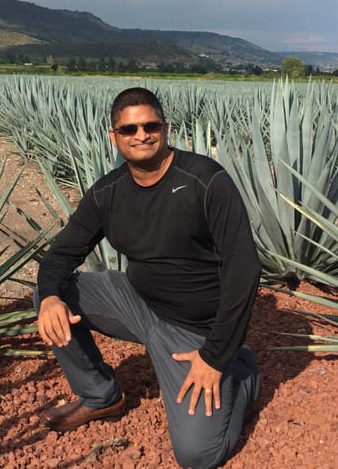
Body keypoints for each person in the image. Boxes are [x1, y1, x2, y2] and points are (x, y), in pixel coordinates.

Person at [34, 87, 261, 469]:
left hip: (194, 329)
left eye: (150, 126)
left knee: (197, 455)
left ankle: (242, 373)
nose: (141, 135)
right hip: (136, 302)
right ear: (114, 136)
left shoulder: (204, 180)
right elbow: (60, 256)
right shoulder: (108, 192)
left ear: (165, 129)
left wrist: (215, 356)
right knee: (51, 296)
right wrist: (50, 298)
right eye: (129, 129)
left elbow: (244, 268)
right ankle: (100, 395)